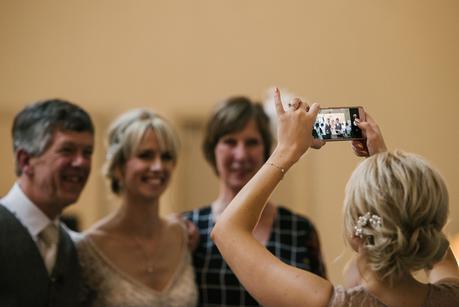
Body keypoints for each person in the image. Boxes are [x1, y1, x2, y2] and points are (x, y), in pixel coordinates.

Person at [211, 88, 459, 306]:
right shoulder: (451, 296)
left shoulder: (332, 303)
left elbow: (227, 231)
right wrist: (382, 167)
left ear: (355, 229)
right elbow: (420, 219)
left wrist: (287, 150)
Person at [183, 96, 327, 306]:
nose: (241, 155)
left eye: (251, 142)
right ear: (212, 150)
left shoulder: (300, 229)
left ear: (267, 150)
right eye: (230, 142)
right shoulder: (189, 228)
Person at [76, 109, 198, 306]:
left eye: (166, 157)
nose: (158, 167)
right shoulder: (89, 248)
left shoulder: (184, 236)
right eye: (146, 155)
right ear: (118, 166)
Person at [0, 99, 95, 306]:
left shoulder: (73, 247)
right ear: (25, 161)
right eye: (67, 150)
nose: (81, 162)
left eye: (87, 152)